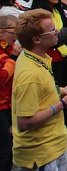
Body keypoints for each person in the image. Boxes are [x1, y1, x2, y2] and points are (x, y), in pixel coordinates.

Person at [11, 9, 67, 170]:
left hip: (53, 148)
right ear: (37, 39)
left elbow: (40, 95)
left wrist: (59, 90)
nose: (57, 31)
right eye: (51, 30)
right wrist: (62, 104)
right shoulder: (30, 75)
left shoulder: (36, 57)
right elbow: (24, 122)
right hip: (42, 155)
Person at [0, 15, 16, 170]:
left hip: (9, 104)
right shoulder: (8, 52)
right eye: (13, 32)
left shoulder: (9, 47)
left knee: (10, 147)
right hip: (1, 106)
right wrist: (13, 58)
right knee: (4, 150)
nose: (16, 36)